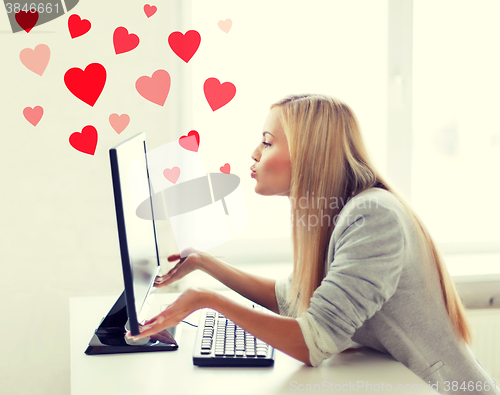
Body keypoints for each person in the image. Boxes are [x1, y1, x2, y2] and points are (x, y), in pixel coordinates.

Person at [129, 94, 499, 395]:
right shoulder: (341, 214)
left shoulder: (373, 218)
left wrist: (207, 300)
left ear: (309, 153)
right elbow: (292, 297)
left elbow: (312, 343)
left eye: (267, 142)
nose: (254, 154)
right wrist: (206, 264)